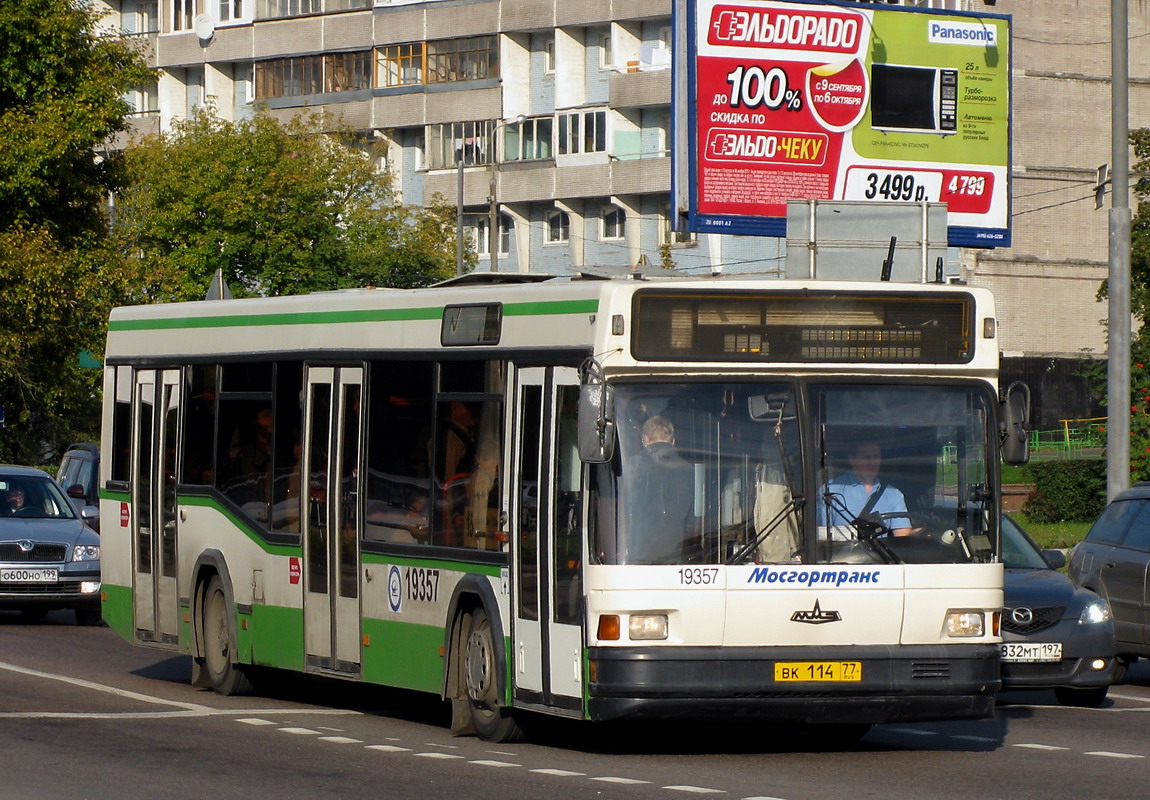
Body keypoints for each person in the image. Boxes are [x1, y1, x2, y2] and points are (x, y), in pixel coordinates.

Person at [626, 415, 695, 563]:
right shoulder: (689, 470)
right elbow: (692, 520)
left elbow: (625, 513)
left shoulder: (632, 467)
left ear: (645, 439)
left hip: (639, 557)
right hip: (677, 557)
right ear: (673, 441)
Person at [819, 441, 915, 537]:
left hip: (882, 551)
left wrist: (922, 535)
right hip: (843, 551)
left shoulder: (894, 494)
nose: (872, 462)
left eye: (876, 457)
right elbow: (821, 536)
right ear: (852, 460)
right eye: (866, 457)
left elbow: (903, 537)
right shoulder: (830, 490)